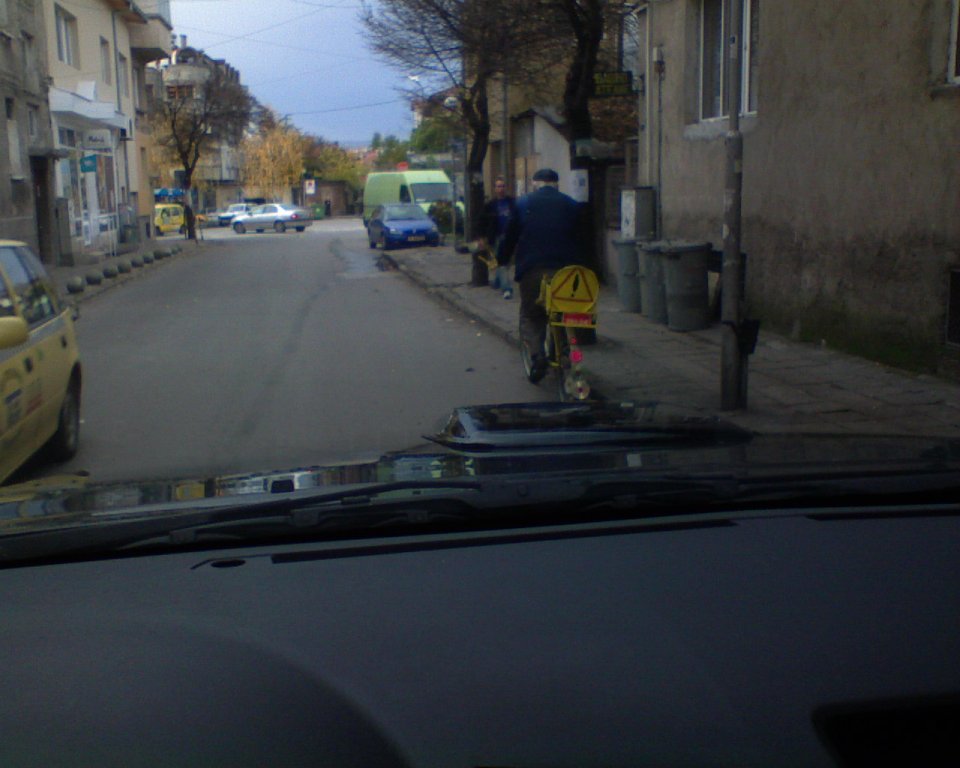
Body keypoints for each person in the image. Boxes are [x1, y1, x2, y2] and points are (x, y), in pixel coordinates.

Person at [500, 168, 585, 382]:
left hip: (533, 269)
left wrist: (502, 259)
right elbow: (583, 239)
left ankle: (537, 356)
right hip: (567, 272)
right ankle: (565, 351)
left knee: (531, 314)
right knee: (564, 312)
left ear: (534, 183)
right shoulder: (571, 204)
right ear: (557, 184)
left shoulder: (523, 204)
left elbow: (510, 236)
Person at [478, 176, 518, 298]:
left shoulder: (512, 202)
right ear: (495, 189)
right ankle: (506, 288)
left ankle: (497, 281)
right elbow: (482, 222)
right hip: (497, 236)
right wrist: (482, 237)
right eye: (498, 186)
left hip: (510, 236)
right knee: (501, 262)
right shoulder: (491, 205)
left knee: (507, 261)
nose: (501, 189)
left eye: (503, 186)